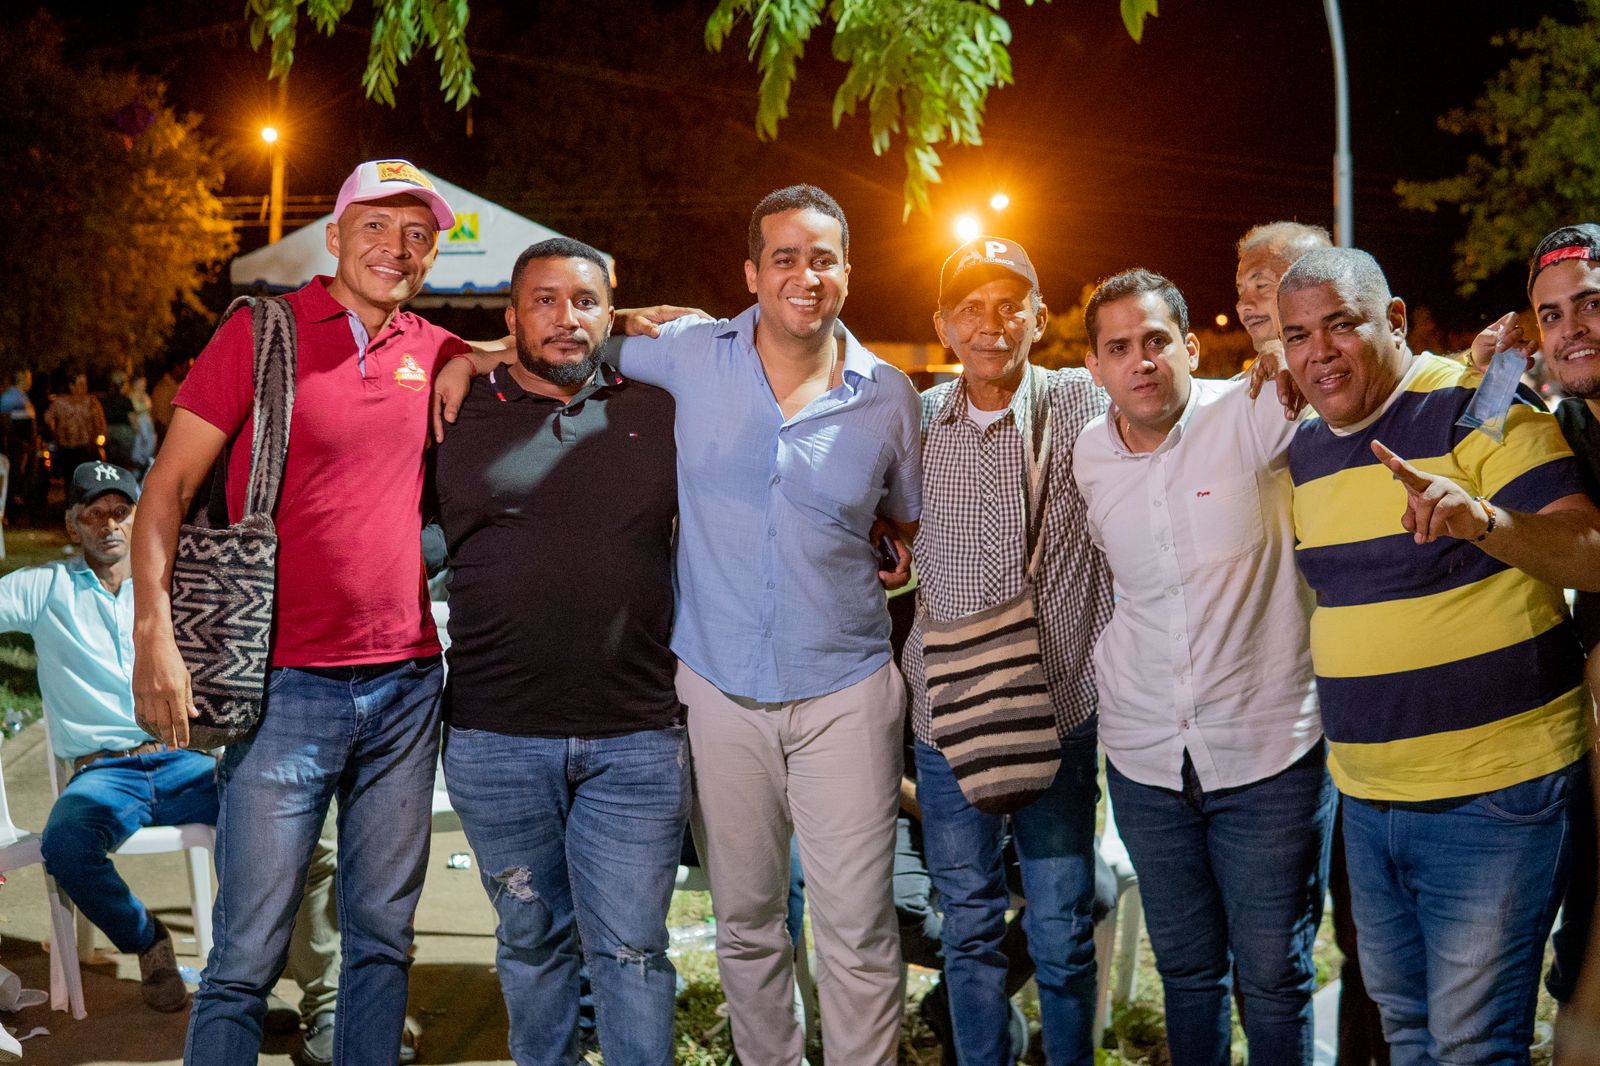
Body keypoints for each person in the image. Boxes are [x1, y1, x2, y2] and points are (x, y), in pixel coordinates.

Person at [436, 183, 922, 1066]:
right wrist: (467, 355)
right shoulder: (693, 357)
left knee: (856, 926)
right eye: (783, 257)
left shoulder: (889, 395)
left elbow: (905, 522)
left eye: (822, 258)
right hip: (716, 685)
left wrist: (887, 547)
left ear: (849, 272)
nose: (804, 275)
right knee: (745, 921)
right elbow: (569, 336)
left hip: (843, 683)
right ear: (751, 272)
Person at [131, 158, 469, 1065]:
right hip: (285, 688)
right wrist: (153, 636)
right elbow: (166, 490)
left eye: (417, 235)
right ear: (335, 234)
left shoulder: (431, 345)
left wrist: (631, 320)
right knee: (247, 952)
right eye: (376, 226)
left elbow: (533, 342)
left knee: (382, 942)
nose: (396, 248)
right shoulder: (259, 333)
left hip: (406, 687)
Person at [1279, 245, 1600, 1065]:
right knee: (1408, 1034)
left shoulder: (1477, 404)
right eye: (1298, 335)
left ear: (1393, 320)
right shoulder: (1305, 447)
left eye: (1341, 325)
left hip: (1492, 794)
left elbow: (1589, 548)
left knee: (1471, 1045)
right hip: (1368, 800)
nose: (1320, 351)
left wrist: (1482, 521)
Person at [433, 238, 685, 1066]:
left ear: (612, 314)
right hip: (496, 735)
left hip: (637, 736)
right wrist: (463, 360)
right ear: (510, 319)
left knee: (633, 951)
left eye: (585, 301)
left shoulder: (663, 408)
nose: (565, 317)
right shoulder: (452, 412)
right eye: (544, 301)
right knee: (531, 942)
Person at [1074, 268, 1332, 1066]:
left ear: (1189, 347)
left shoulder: (1256, 411)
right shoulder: (1089, 454)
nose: (1141, 361)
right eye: (1120, 348)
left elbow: (1347, 379)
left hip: (1269, 755)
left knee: (1275, 978)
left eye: (1156, 341)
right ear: (1095, 367)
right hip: (1146, 759)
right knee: (1187, 976)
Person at [897, 236, 1108, 1065]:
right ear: (943, 325)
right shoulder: (914, 420)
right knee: (970, 929)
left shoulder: (1084, 404)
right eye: (971, 308)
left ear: (1040, 318)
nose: (992, 324)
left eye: (1010, 306)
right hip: (947, 719)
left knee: (1062, 931)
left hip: (1059, 713)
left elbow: (1186, 395)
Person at [1239, 221, 1393, 1066]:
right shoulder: (1239, 404)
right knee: (1319, 923)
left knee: (1375, 925)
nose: (1250, 295)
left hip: (1374, 704)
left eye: (1271, 277)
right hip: (1292, 714)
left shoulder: (1356, 392)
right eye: (1244, 281)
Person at [0, 461, 218, 1013]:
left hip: (181, 758)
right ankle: (147, 939)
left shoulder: (168, 585)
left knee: (267, 812)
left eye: (121, 512)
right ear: (73, 524)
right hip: (103, 773)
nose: (109, 525)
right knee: (64, 846)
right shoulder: (47, 587)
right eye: (94, 514)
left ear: (138, 517)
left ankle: (241, 957)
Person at [1476, 222, 1600, 1059]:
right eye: (1550, 315)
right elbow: (1475, 446)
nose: (1571, 329)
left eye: (1590, 304)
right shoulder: (1573, 422)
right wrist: (1497, 370)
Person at [43, 372, 106, 482]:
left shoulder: (91, 402)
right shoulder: (60, 403)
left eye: (85, 384)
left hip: (86, 447)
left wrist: (98, 440)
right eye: (80, 384)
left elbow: (100, 422)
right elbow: (47, 418)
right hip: (66, 447)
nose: (84, 387)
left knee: (86, 478)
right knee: (70, 477)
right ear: (71, 386)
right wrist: (55, 434)